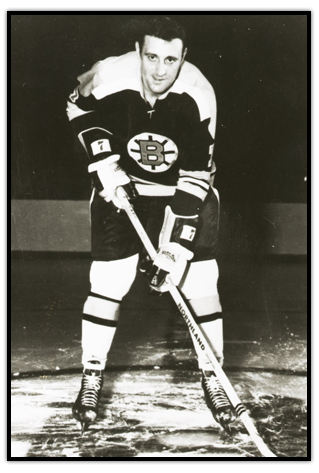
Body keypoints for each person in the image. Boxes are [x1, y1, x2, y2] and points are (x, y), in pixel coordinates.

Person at [66, 16, 235, 433]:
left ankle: (212, 376)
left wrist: (175, 248)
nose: (161, 70)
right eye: (153, 57)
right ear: (139, 53)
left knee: (198, 283)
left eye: (171, 60)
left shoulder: (199, 95)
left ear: (184, 59)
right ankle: (91, 375)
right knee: (109, 279)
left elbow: (197, 179)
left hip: (182, 190)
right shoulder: (107, 74)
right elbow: (77, 105)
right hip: (121, 187)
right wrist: (103, 161)